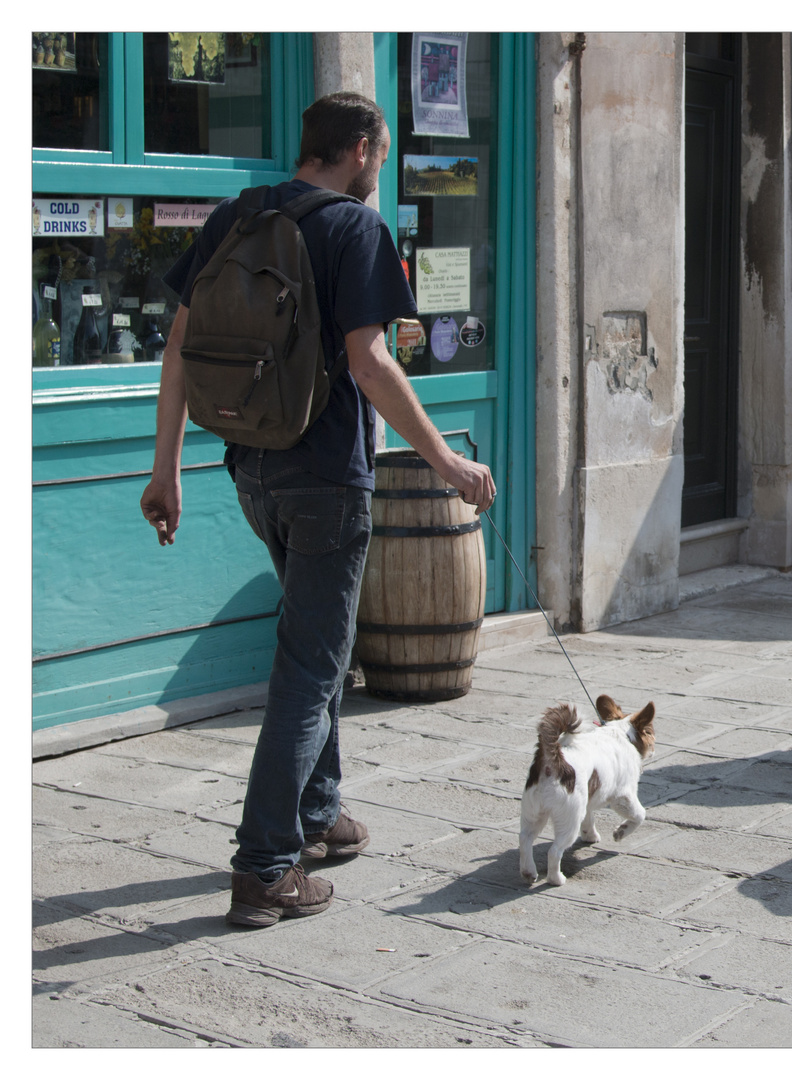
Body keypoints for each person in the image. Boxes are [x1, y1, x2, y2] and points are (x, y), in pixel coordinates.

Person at [140, 92, 496, 925]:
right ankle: (265, 867)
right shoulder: (353, 228)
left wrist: (167, 471)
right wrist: (445, 460)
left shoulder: (237, 214)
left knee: (317, 651)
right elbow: (370, 363)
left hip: (251, 468)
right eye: (378, 152)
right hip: (328, 477)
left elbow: (178, 347)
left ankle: (316, 812)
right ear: (366, 149)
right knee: (310, 669)